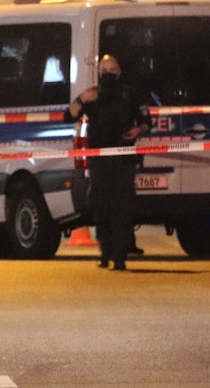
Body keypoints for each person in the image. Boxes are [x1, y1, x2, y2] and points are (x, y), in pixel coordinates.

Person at [64, 55, 152, 271]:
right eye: (105, 69)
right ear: (99, 72)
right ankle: (105, 251)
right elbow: (68, 116)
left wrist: (138, 130)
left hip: (123, 159)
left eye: (112, 68)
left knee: (122, 207)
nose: (109, 73)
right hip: (99, 162)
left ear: (119, 72)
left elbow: (146, 122)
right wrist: (83, 99)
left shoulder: (130, 94)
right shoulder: (93, 95)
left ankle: (120, 256)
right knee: (101, 206)